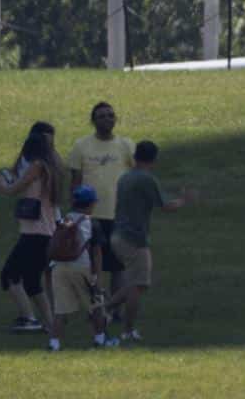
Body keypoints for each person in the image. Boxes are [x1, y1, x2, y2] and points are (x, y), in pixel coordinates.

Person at [105, 140, 196, 344]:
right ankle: (127, 331)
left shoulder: (125, 178)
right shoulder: (146, 179)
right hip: (134, 238)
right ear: (154, 159)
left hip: (118, 235)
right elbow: (165, 206)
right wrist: (184, 200)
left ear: (136, 156)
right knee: (138, 285)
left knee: (135, 283)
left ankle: (105, 309)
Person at [66, 102, 133, 296]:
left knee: (117, 265)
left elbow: (135, 176)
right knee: (90, 263)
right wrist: (75, 212)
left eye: (111, 115)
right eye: (102, 116)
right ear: (93, 121)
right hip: (89, 215)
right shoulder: (81, 145)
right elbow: (75, 181)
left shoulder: (126, 145)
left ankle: (114, 309)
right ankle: (95, 305)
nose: (107, 119)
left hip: (118, 214)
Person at [0, 129, 59, 337]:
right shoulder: (49, 168)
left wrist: (2, 184)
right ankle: (51, 325)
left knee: (9, 274)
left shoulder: (37, 166)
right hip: (44, 232)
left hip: (35, 233)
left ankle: (29, 318)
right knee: (32, 280)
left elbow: (13, 189)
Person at [46, 185, 117, 350]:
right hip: (81, 266)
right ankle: (100, 340)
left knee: (61, 310)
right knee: (96, 307)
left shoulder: (64, 220)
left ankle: (54, 344)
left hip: (58, 267)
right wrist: (97, 278)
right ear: (91, 203)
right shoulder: (92, 223)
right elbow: (97, 254)